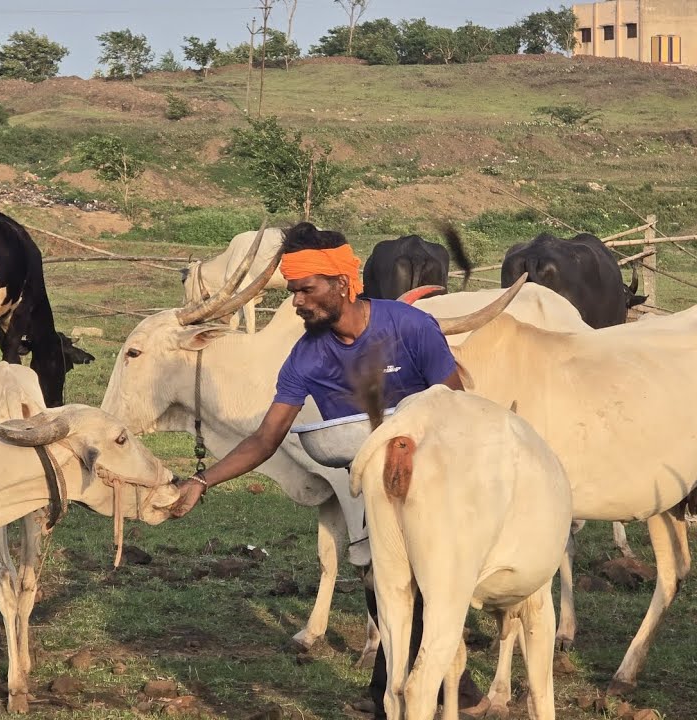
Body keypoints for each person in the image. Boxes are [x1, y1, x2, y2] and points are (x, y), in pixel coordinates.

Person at [169, 221, 483, 718]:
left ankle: (428, 689)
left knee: (423, 585)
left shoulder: (409, 327)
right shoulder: (306, 357)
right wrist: (201, 481)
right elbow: (266, 438)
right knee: (384, 586)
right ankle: (425, 690)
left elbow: (459, 408)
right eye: (293, 291)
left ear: (341, 282)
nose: (296, 302)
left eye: (305, 289)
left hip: (438, 477)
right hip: (371, 486)